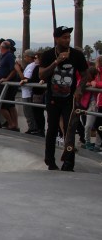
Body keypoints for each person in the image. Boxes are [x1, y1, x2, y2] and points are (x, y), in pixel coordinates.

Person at [39, 26, 88, 171]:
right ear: (56, 38)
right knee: (52, 129)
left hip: (69, 99)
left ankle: (69, 162)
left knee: (69, 130)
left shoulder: (76, 55)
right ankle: (50, 160)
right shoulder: (48, 55)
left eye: (69, 37)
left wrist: (80, 89)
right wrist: (56, 62)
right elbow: (41, 75)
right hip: (53, 98)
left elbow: (85, 74)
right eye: (64, 37)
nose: (67, 40)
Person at [0, 40, 19, 131]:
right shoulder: (2, 56)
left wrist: (7, 79)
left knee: (2, 105)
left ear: (2, 47)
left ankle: (11, 123)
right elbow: (1, 69)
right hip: (3, 83)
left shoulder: (9, 56)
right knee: (10, 105)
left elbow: (14, 69)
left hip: (8, 85)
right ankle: (13, 124)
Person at [19, 50, 40, 135]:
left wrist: (18, 70)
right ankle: (32, 127)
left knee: (28, 111)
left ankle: (33, 128)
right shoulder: (31, 66)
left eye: (25, 56)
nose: (24, 58)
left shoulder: (32, 66)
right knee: (27, 111)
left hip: (28, 92)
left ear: (29, 57)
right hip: (26, 92)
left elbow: (24, 78)